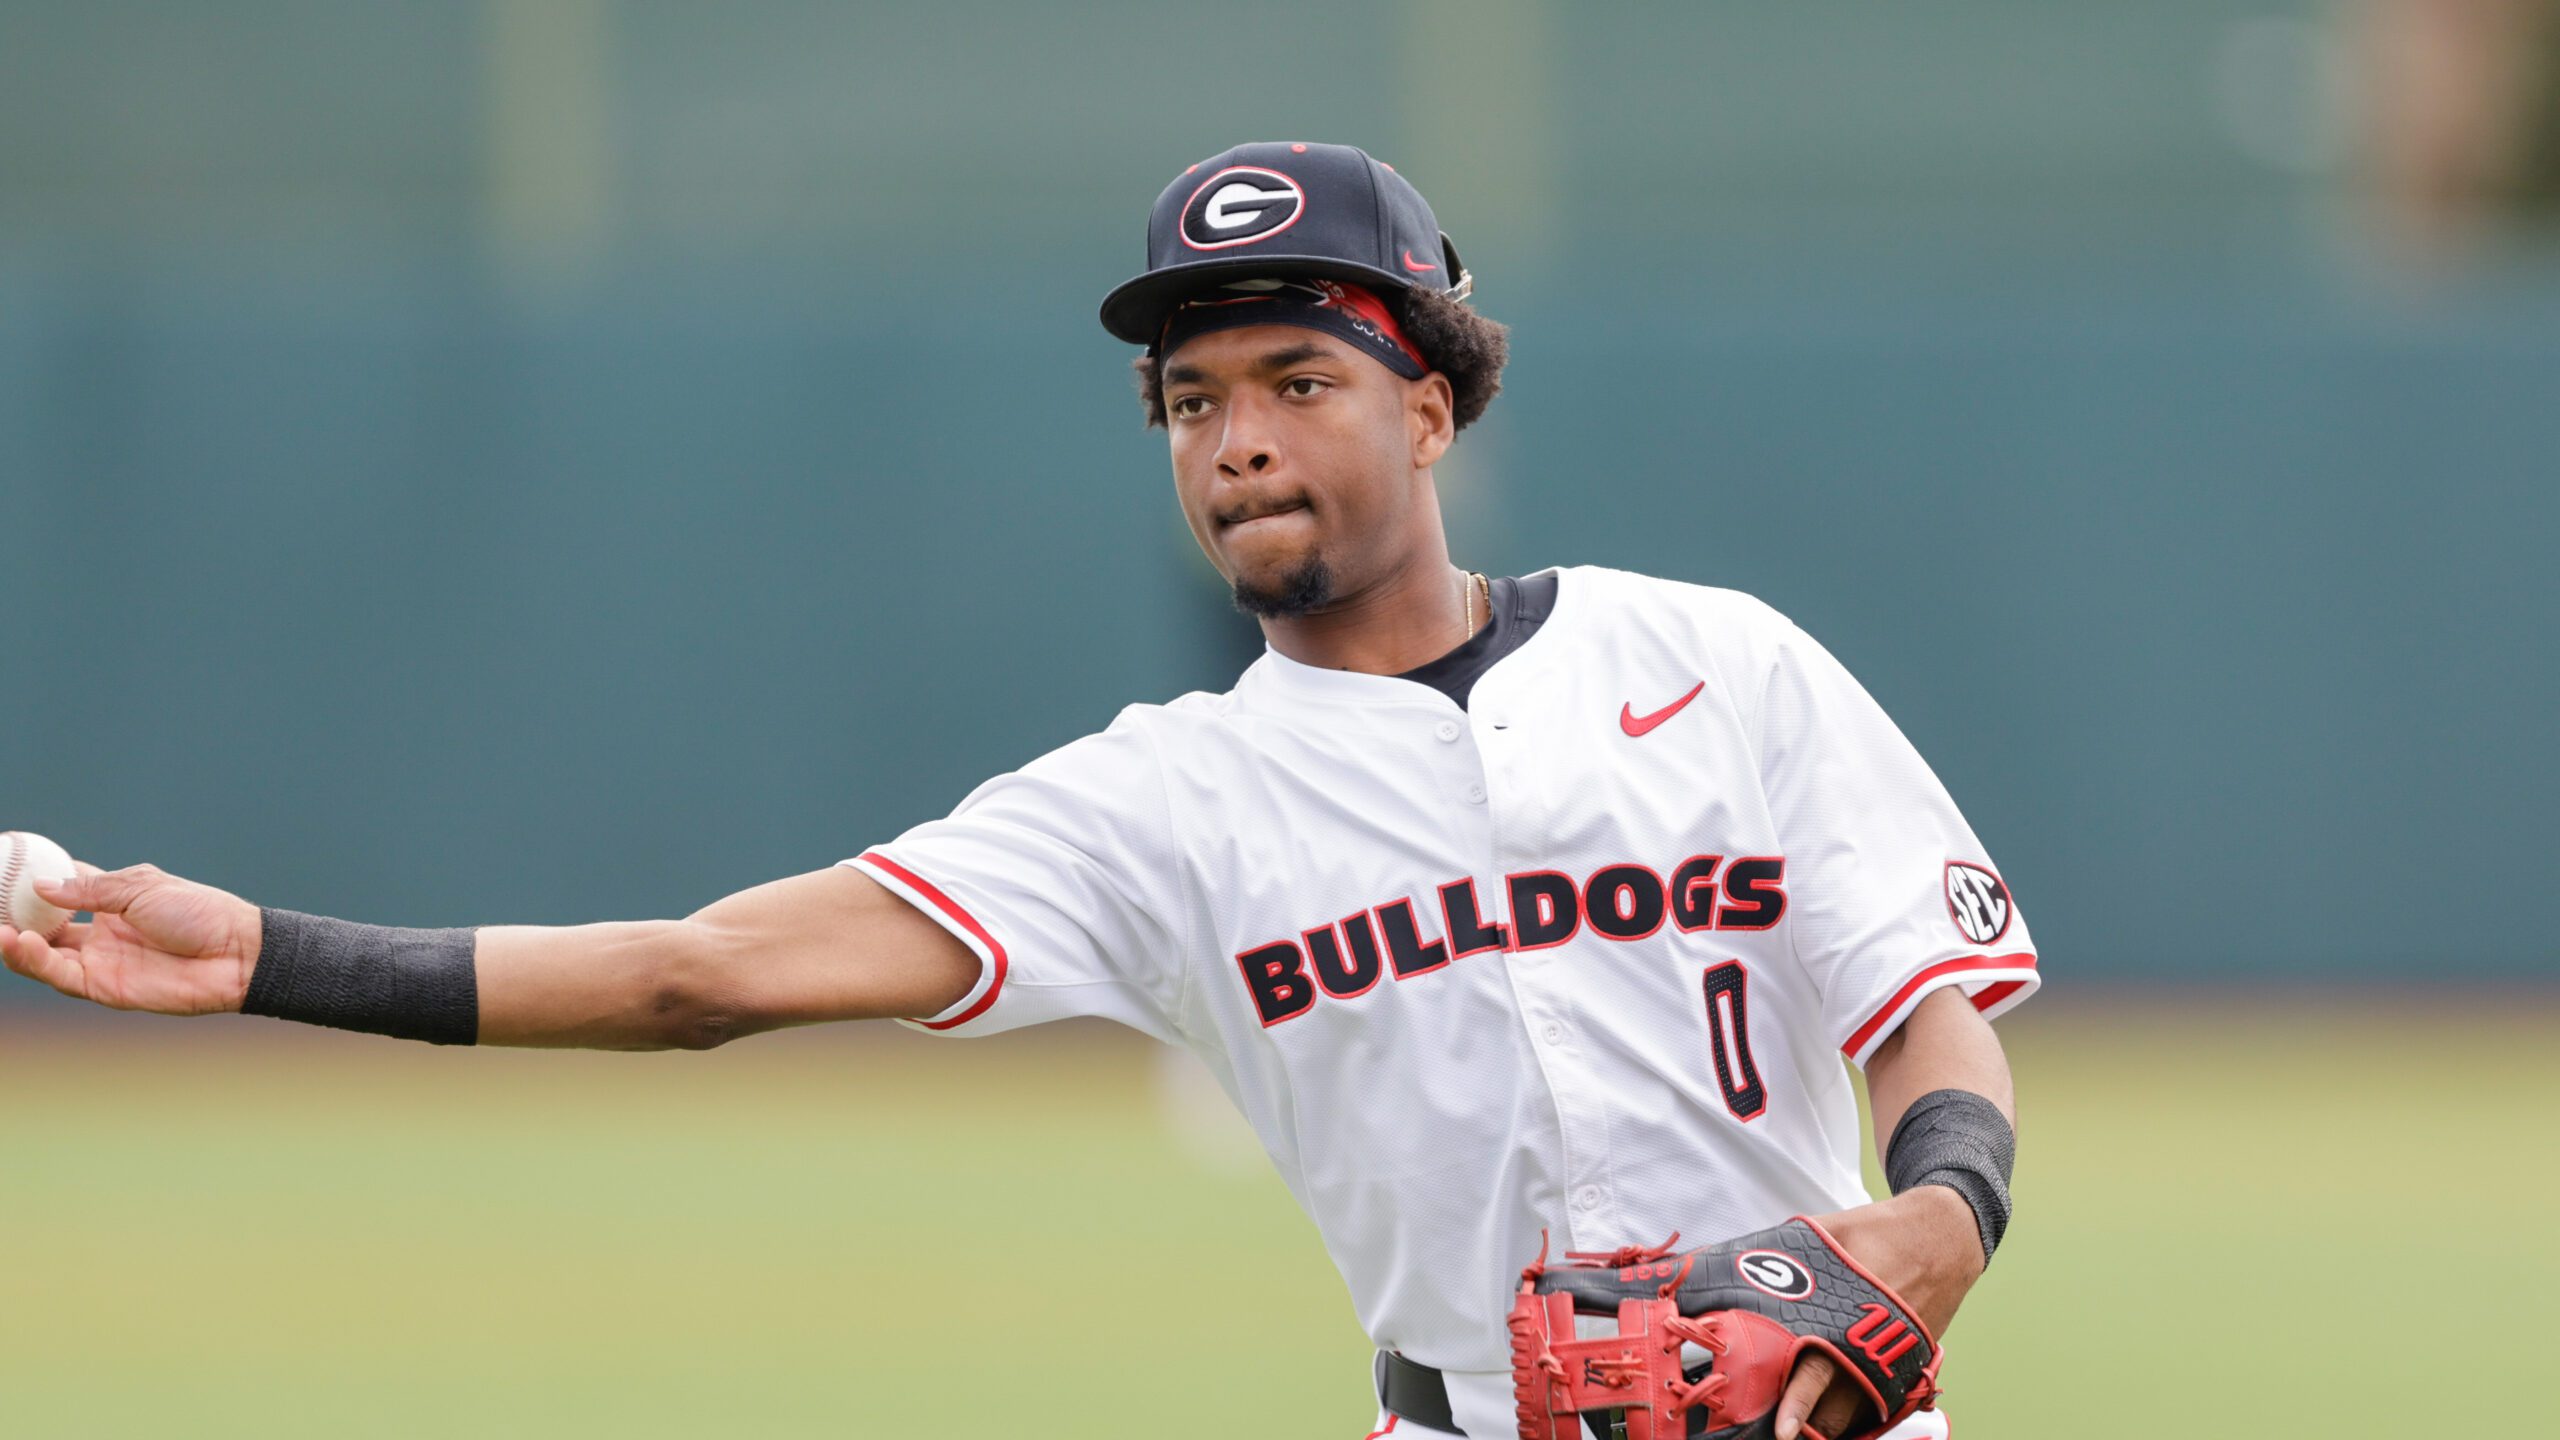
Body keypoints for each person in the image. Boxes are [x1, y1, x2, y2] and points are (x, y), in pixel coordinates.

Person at [2, 142, 2036, 1440]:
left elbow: (1911, 994)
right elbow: (699, 971)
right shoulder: (1163, 804)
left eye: (1293, 379)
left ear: (1429, 403)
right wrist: (270, 953)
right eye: (1188, 399)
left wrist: (1941, 1218)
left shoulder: (1712, 660)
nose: (1232, 437)